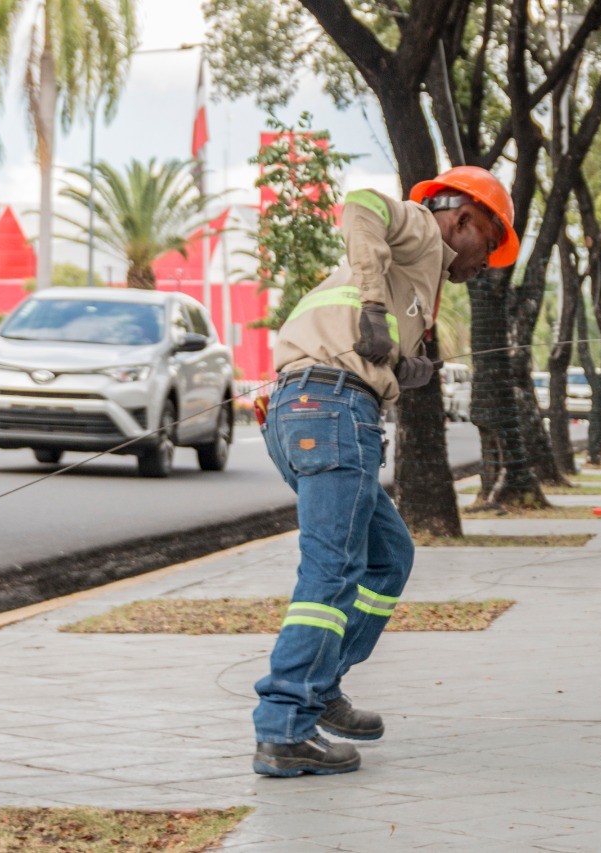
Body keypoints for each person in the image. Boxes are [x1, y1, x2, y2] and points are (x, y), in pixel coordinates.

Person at [252, 166, 519, 777]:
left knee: (388, 555)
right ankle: (285, 725)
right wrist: (375, 307)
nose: (485, 264)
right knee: (332, 569)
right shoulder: (424, 228)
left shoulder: (416, 276)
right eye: (489, 245)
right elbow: (361, 206)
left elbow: (369, 342)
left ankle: (319, 689)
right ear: (466, 219)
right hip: (331, 408)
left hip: (312, 408)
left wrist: (405, 363)